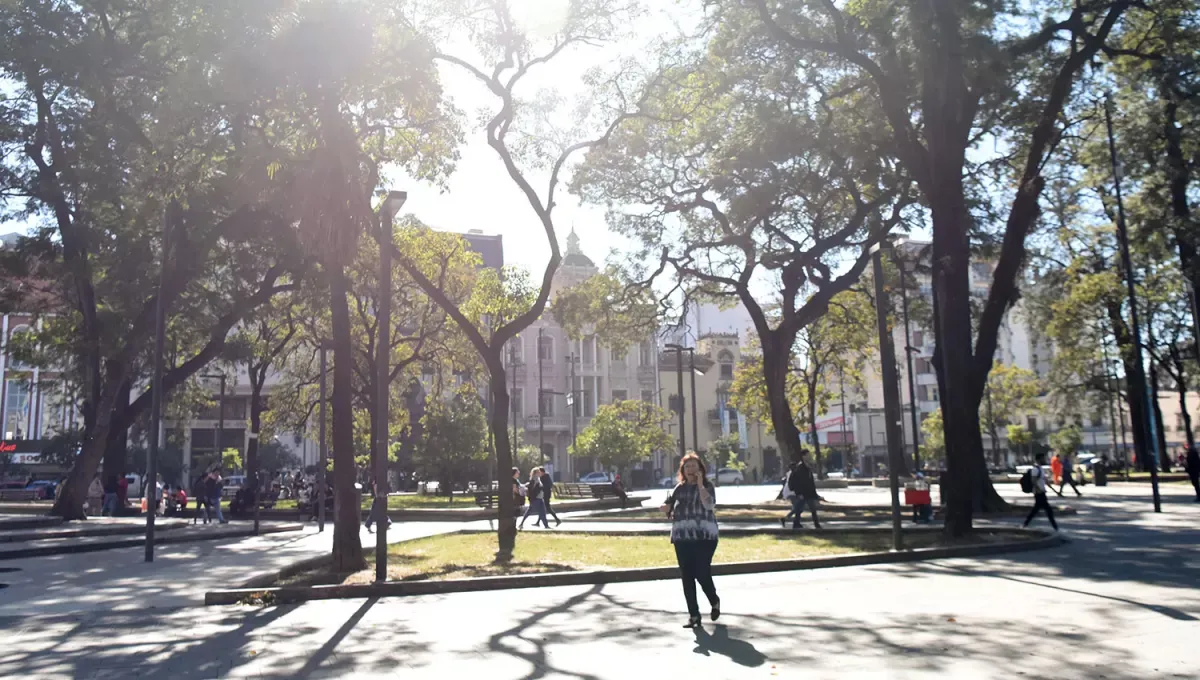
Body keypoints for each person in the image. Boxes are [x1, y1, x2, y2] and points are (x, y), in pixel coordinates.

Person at [661, 452, 720, 629]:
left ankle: (714, 600)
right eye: (687, 467)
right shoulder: (679, 488)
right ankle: (694, 615)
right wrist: (665, 507)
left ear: (700, 469)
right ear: (683, 471)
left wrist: (700, 484)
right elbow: (667, 506)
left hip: (704, 536)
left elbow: (709, 504)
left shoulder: (708, 486)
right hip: (682, 536)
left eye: (694, 466)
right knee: (687, 576)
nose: (690, 470)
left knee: (702, 572)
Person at [1022, 452, 1059, 532]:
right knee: (1048, 510)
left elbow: (1045, 481)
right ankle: (1055, 527)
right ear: (1039, 459)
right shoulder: (1035, 469)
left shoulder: (1040, 469)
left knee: (1036, 510)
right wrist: (1039, 490)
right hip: (1039, 493)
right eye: (1043, 458)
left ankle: (1025, 524)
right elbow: (1033, 481)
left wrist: (1055, 491)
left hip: (1042, 492)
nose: (1044, 460)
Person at [787, 455, 821, 529]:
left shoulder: (806, 468)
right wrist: (799, 493)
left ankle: (795, 523)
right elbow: (798, 483)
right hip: (804, 493)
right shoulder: (800, 469)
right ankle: (816, 524)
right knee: (808, 509)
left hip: (807, 493)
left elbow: (809, 482)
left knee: (799, 509)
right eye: (807, 455)